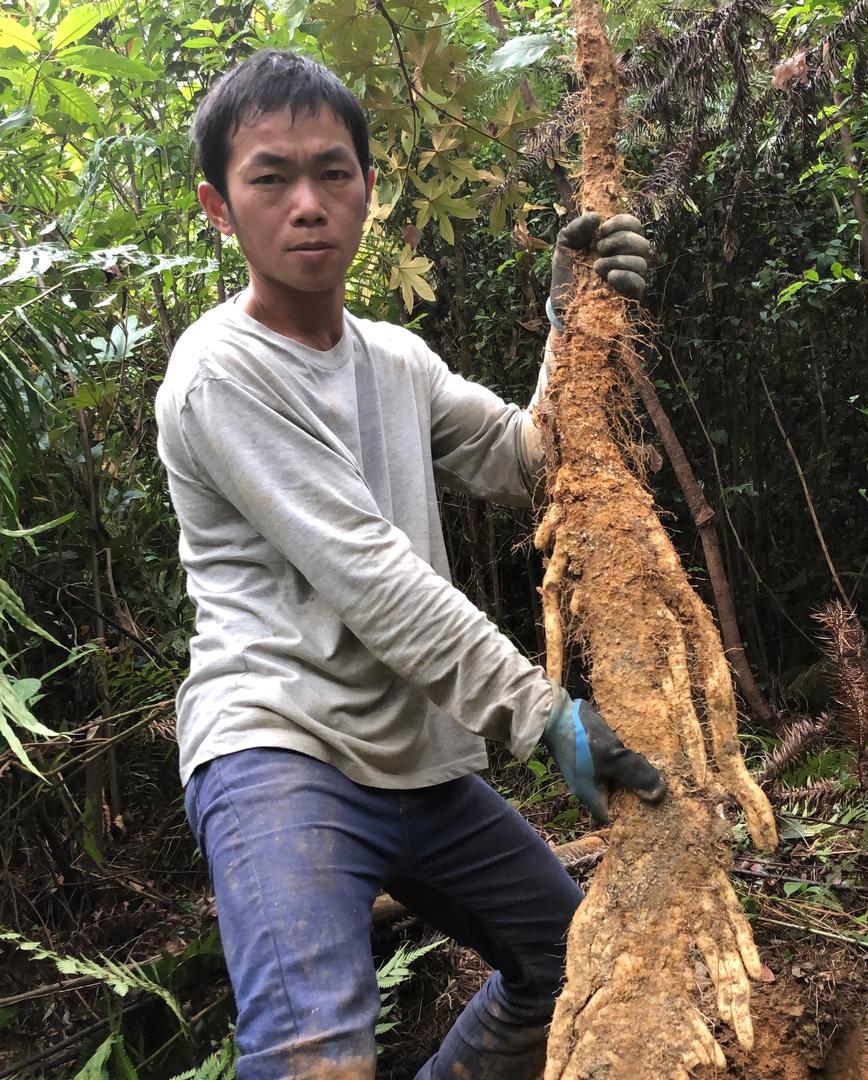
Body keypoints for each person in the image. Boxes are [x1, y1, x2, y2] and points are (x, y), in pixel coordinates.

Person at [155, 49, 665, 1080]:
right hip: (277, 751)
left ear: (369, 192)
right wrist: (540, 715)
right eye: (271, 177)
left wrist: (579, 322)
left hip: (413, 763)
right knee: (315, 1057)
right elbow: (372, 577)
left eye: (333, 173)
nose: (308, 203)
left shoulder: (394, 359)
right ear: (220, 205)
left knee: (573, 964)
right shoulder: (220, 374)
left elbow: (530, 458)